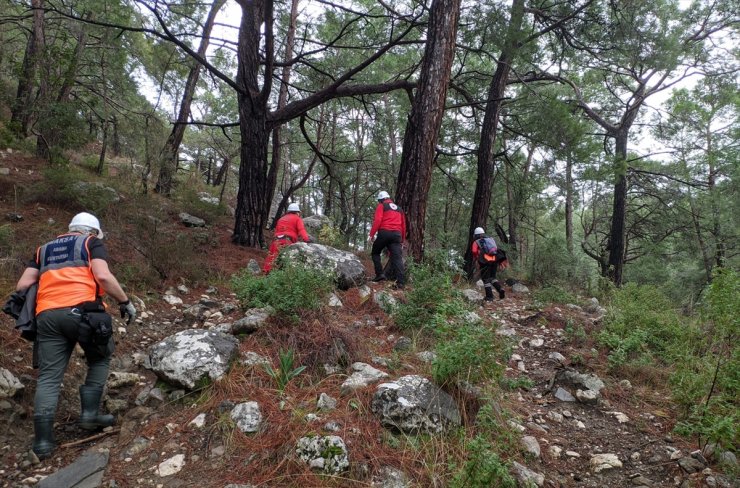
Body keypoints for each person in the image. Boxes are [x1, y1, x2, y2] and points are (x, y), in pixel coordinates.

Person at [14, 212, 136, 460]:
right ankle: (90, 415)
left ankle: (43, 443)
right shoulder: (91, 243)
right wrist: (124, 301)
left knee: (48, 376)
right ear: (91, 231)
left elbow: (22, 285)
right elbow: (102, 276)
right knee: (101, 357)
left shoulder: (43, 250)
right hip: (83, 313)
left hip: (46, 316)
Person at [369, 190, 406, 289]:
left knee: (375, 253)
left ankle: (379, 274)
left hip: (384, 233)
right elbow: (403, 226)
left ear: (381, 199)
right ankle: (401, 282)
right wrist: (402, 240)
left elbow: (377, 220)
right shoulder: (399, 209)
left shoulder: (382, 206)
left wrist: (371, 234)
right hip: (397, 235)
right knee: (397, 258)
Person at [263, 203, 313, 274]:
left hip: (276, 242)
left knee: (271, 259)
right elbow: (301, 230)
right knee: (288, 261)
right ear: (297, 212)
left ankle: (266, 275)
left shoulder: (281, 219)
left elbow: (276, 232)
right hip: (287, 242)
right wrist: (306, 239)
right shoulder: (297, 219)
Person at [471, 227, 505, 302]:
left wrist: (477, 258)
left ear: (476, 235)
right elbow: (495, 249)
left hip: (485, 261)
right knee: (492, 277)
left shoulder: (476, 242)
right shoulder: (491, 239)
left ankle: (489, 297)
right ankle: (500, 289)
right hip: (494, 260)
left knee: (485, 279)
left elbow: (474, 251)